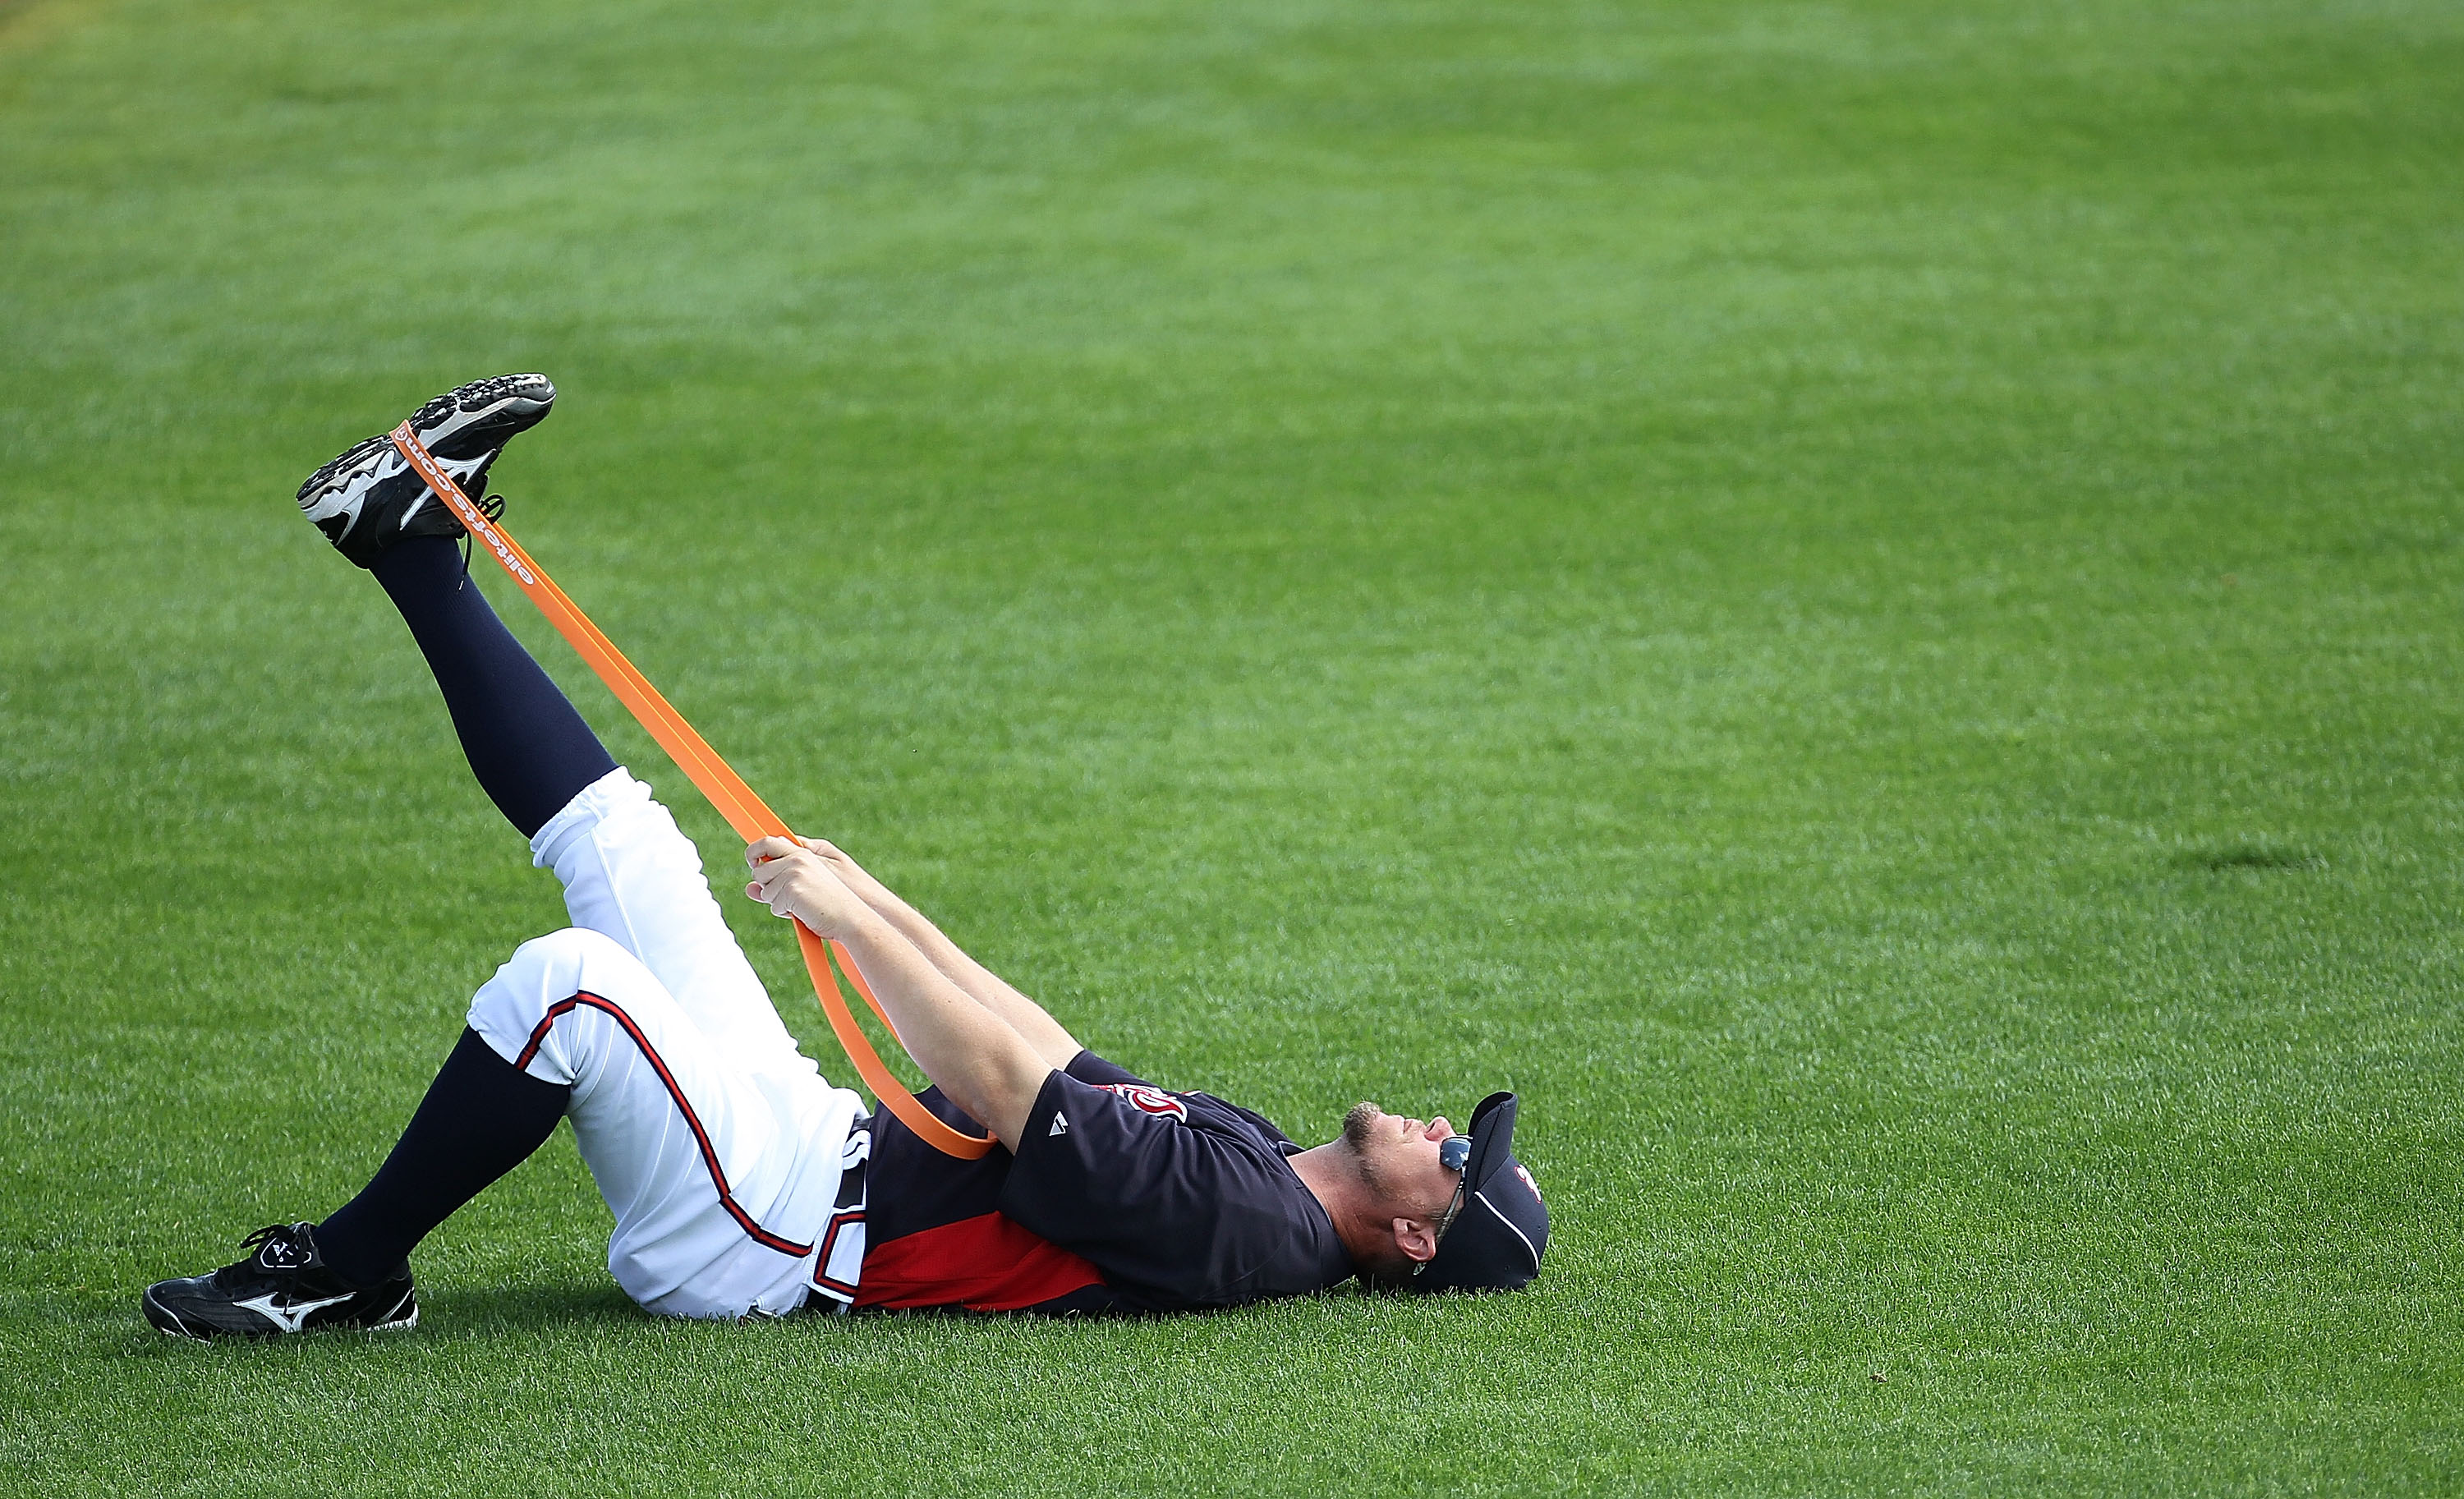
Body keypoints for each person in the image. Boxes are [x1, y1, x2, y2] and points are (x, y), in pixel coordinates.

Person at [140, 375, 1548, 1338]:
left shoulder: (1250, 1230)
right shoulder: (1260, 1156)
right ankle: (406, 542)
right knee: (626, 846)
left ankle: (343, 1276)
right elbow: (1047, 1047)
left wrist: (853, 926)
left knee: (568, 984)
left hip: (773, 1233)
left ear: (1419, 1241)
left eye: (1455, 1162)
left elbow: (1005, 1089)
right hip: (814, 1143)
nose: (1440, 1126)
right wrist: (872, 893)